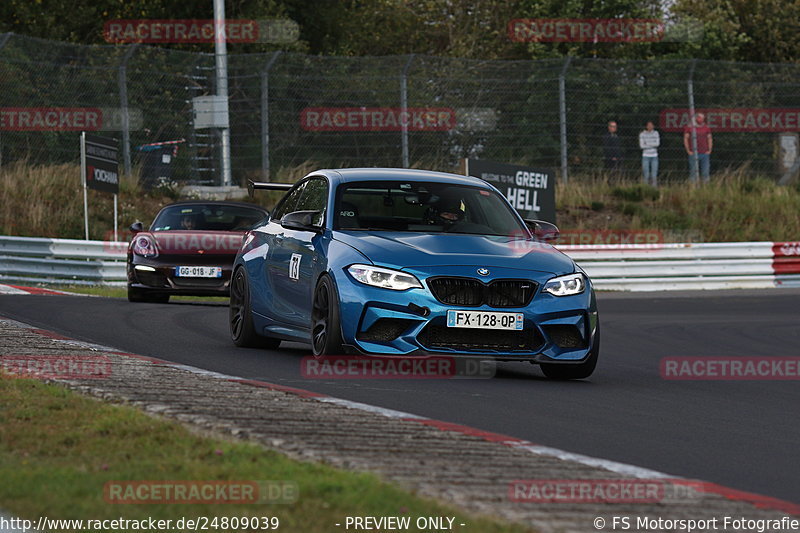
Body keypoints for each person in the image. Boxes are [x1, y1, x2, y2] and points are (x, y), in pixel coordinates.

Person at [683, 112, 713, 182]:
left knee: (705, 172)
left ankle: (705, 187)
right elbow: (685, 138)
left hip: (704, 153)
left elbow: (709, 138)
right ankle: (693, 188)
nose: (702, 119)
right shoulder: (690, 127)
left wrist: (709, 149)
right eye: (700, 118)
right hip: (693, 153)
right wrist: (688, 151)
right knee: (693, 172)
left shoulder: (706, 127)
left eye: (703, 118)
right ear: (696, 118)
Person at [639, 121, 660, 186]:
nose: (650, 127)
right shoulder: (642, 134)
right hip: (645, 156)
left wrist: (647, 143)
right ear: (646, 126)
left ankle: (654, 189)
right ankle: (646, 188)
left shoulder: (656, 133)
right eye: (649, 125)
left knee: (654, 175)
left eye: (651, 125)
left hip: (654, 156)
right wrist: (652, 144)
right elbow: (642, 146)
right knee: (646, 175)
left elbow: (657, 144)